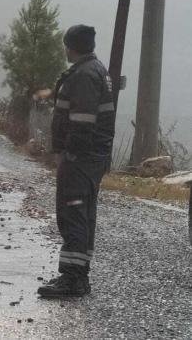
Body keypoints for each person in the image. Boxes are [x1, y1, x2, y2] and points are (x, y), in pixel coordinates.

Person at [37, 25, 115, 298]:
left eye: (67, 45)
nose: (65, 49)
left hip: (81, 158)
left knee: (73, 212)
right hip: (92, 158)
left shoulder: (84, 75)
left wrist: (69, 152)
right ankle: (77, 274)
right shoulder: (96, 70)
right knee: (83, 213)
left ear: (73, 46)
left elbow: (82, 122)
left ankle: (73, 280)